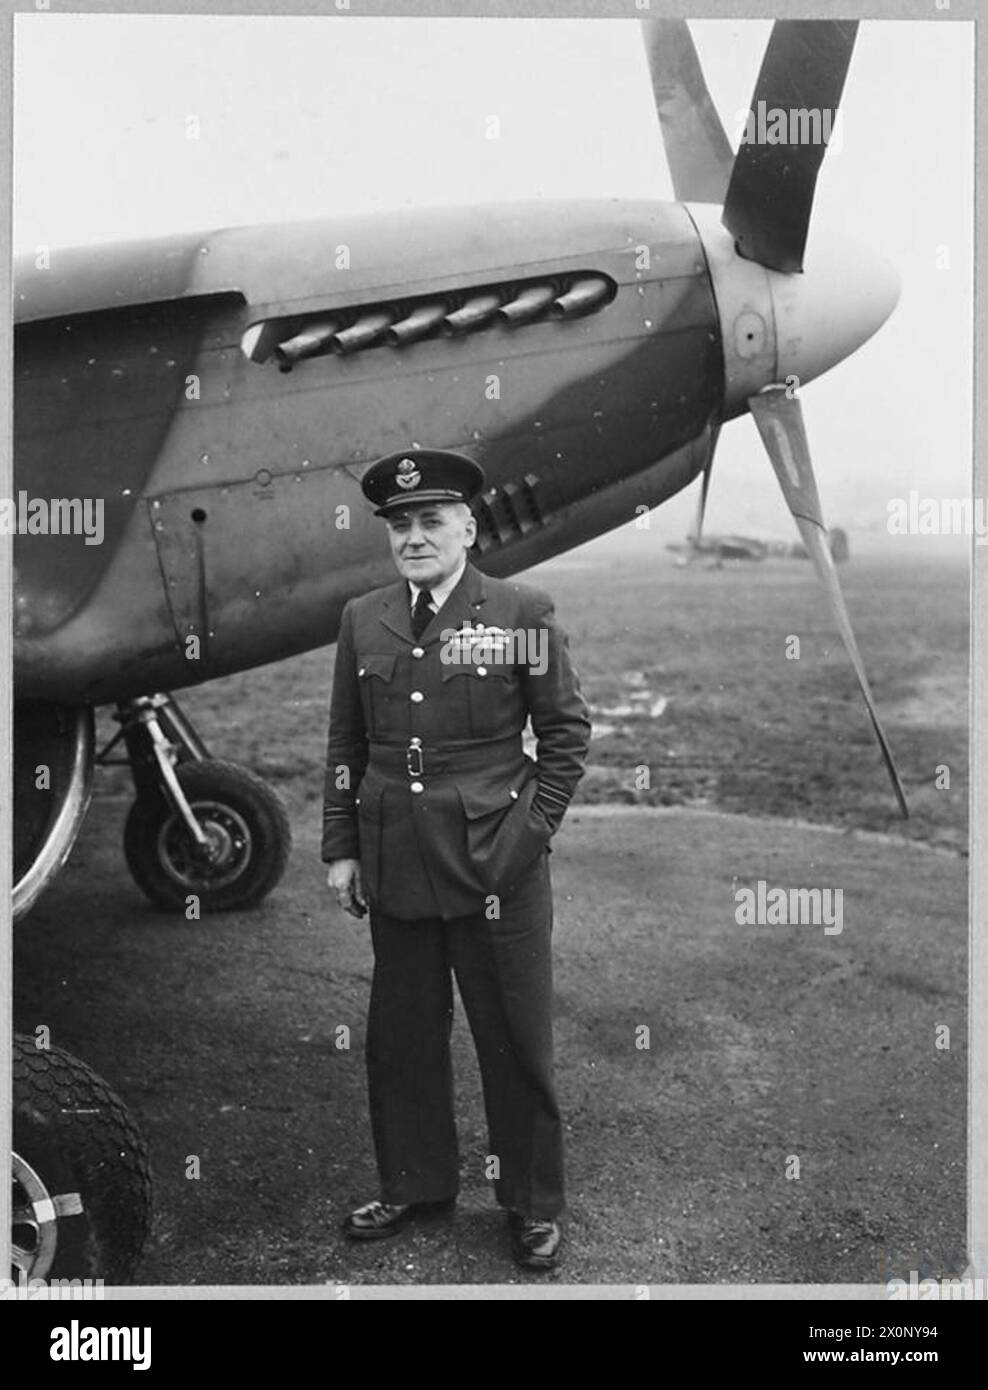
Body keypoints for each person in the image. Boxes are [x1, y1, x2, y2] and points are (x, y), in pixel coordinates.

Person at [321, 447, 591, 1271]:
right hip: (395, 857)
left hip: (496, 864)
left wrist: (525, 840)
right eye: (400, 524)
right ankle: (415, 1183)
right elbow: (347, 742)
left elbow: (566, 738)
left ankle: (532, 1204)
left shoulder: (523, 613)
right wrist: (341, 848)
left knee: (513, 1039)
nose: (413, 536)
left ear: (468, 527)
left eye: (431, 520)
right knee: (400, 1039)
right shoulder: (362, 618)